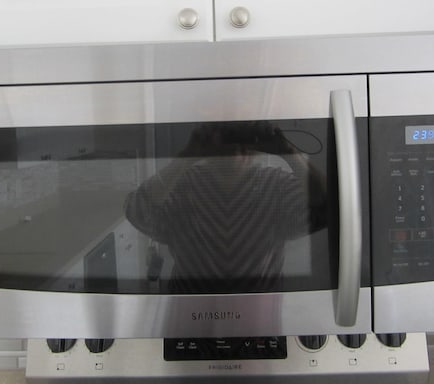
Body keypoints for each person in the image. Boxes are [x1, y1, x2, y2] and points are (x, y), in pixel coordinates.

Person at [124, 121, 326, 293]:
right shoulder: (183, 186)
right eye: (225, 138)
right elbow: (137, 212)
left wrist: (288, 151)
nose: (234, 148)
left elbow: (325, 208)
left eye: (243, 138)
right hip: (190, 307)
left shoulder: (276, 184)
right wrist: (188, 156)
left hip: (257, 310)